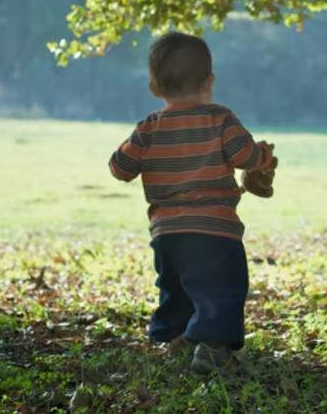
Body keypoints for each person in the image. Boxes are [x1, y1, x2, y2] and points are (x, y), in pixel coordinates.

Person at [108, 32, 277, 375]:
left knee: (176, 288)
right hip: (215, 231)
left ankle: (174, 338)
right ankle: (212, 348)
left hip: (167, 234)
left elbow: (120, 168)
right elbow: (245, 156)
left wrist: (140, 147)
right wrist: (263, 156)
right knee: (221, 290)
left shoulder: (148, 128)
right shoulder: (220, 119)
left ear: (154, 88)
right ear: (209, 81)